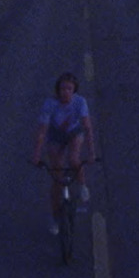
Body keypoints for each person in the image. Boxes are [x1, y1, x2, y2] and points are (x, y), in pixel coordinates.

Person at [32, 71, 96, 235]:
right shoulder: (50, 104)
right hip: (56, 136)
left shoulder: (80, 102)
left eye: (69, 89)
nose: (65, 92)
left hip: (74, 133)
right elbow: (42, 132)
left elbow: (87, 128)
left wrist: (91, 153)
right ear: (57, 90)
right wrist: (36, 156)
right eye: (62, 89)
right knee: (57, 177)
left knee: (74, 158)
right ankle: (55, 219)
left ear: (74, 90)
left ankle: (82, 185)